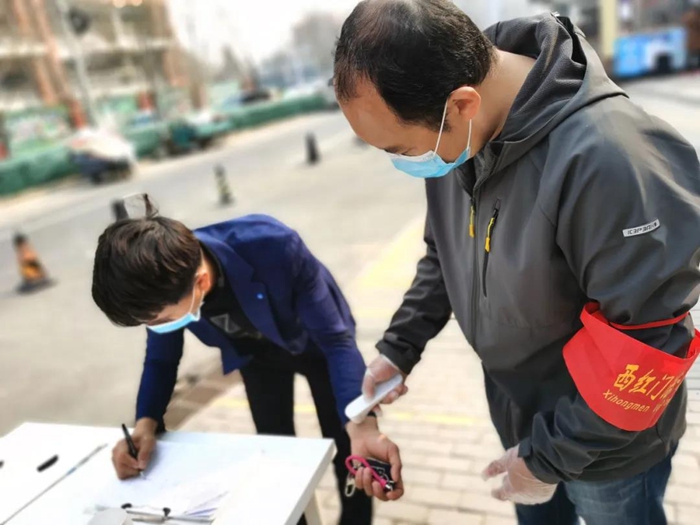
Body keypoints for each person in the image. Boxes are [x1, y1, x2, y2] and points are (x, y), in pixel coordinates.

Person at [332, 1, 700, 524]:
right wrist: (398, 348)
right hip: (520, 418)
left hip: (607, 447)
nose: (405, 163)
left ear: (463, 104)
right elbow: (445, 253)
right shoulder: (462, 132)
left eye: (404, 149)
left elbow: (648, 345)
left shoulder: (611, 159)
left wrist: (548, 460)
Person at [91, 211, 382, 524]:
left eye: (161, 321)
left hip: (318, 343)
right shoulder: (163, 284)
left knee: (349, 443)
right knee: (275, 449)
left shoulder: (275, 246)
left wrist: (362, 422)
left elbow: (336, 342)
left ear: (201, 282)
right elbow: (161, 359)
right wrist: (145, 425)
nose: (157, 327)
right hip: (256, 356)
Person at [683, 2, 700, 70]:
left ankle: (690, 67)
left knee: (692, 55)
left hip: (693, 41)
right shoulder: (694, 16)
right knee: (693, 55)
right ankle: (690, 68)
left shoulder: (689, 15)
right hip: (695, 41)